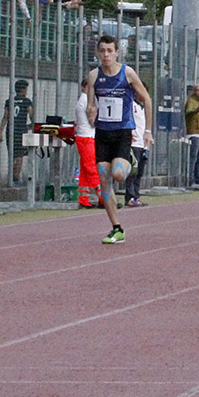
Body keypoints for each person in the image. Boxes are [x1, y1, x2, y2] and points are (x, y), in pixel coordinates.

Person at [85, 35, 153, 244]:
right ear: (98, 53)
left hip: (123, 132)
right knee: (104, 179)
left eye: (109, 51)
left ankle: (131, 161)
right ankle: (117, 228)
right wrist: (91, 113)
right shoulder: (94, 76)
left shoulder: (127, 73)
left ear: (116, 53)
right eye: (102, 51)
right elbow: (91, 104)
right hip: (102, 134)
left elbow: (147, 99)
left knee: (118, 174)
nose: (106, 55)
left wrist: (148, 131)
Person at [0, 80, 34, 185]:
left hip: (10, 131)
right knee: (20, 156)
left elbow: (5, 116)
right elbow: (31, 114)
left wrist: (0, 131)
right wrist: (32, 125)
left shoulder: (9, 101)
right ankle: (16, 179)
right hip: (21, 131)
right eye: (26, 89)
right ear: (23, 90)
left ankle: (11, 178)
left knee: (12, 154)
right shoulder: (27, 101)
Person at [74, 78, 101, 208]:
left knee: (85, 169)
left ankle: (84, 198)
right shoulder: (86, 101)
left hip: (85, 136)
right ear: (85, 87)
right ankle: (103, 196)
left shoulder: (83, 100)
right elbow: (93, 121)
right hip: (86, 137)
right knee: (92, 168)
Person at [125, 101, 148, 207]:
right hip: (134, 143)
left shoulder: (144, 107)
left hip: (143, 143)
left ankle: (136, 196)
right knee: (132, 171)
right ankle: (129, 197)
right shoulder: (131, 104)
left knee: (139, 172)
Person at [184, 83, 199, 186]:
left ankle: (198, 178)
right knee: (193, 158)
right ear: (194, 91)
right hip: (194, 133)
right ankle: (191, 179)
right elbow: (188, 112)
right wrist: (194, 111)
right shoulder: (191, 101)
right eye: (198, 90)